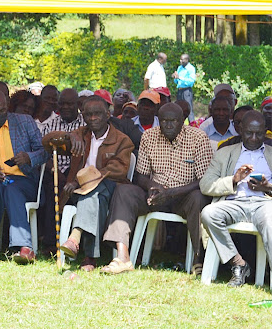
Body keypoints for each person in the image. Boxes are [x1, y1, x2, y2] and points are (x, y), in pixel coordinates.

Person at [103, 103, 213, 275]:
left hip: (184, 196)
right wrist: (152, 187)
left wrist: (172, 192)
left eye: (173, 121)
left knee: (199, 197)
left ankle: (198, 260)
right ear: (158, 120)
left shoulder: (198, 137)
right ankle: (123, 256)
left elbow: (204, 180)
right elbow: (140, 175)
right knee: (124, 191)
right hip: (155, 195)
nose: (168, 125)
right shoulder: (149, 136)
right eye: (164, 121)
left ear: (182, 121)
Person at [44, 96, 133, 271]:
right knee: (92, 197)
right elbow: (47, 142)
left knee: (95, 191)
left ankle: (75, 239)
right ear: (83, 116)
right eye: (89, 114)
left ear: (108, 115)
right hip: (80, 193)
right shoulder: (80, 136)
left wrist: (83, 180)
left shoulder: (122, 140)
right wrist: (69, 136)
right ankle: (89, 256)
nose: (93, 118)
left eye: (98, 114)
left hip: (110, 189)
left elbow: (118, 170)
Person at [200, 111, 272, 287]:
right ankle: (238, 263)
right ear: (240, 130)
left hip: (264, 203)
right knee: (208, 213)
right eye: (249, 132)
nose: (254, 138)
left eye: (259, 133)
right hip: (234, 203)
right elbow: (206, 185)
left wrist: (267, 187)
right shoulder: (225, 153)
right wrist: (234, 179)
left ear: (266, 131)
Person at [0, 89, 47, 264]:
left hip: (25, 180)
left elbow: (44, 152)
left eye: (2, 110)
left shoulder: (25, 122)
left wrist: (28, 157)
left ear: (8, 106)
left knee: (12, 189)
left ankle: (25, 247)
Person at [39, 88, 83, 252]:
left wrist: (73, 176)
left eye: (69, 104)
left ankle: (76, 241)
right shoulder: (51, 124)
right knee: (52, 188)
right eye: (62, 103)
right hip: (55, 171)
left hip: (79, 172)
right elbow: (43, 153)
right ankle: (51, 242)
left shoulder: (85, 125)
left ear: (77, 104)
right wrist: (54, 170)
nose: (65, 107)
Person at [172, 53, 196, 122]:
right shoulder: (180, 68)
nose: (180, 61)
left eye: (182, 60)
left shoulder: (191, 68)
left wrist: (180, 77)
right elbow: (176, 81)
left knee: (189, 109)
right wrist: (175, 77)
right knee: (178, 108)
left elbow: (191, 81)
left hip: (187, 91)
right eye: (180, 59)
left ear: (187, 60)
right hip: (180, 91)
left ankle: (193, 126)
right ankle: (178, 125)